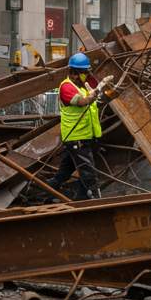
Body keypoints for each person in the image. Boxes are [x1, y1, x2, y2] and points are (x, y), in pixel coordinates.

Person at [49, 52, 115, 200]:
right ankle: (94, 200)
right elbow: (82, 102)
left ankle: (47, 193)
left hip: (84, 137)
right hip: (75, 138)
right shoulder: (66, 87)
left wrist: (108, 93)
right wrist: (95, 93)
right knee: (88, 172)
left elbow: (93, 104)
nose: (87, 74)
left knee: (65, 173)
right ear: (74, 73)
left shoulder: (82, 87)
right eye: (84, 72)